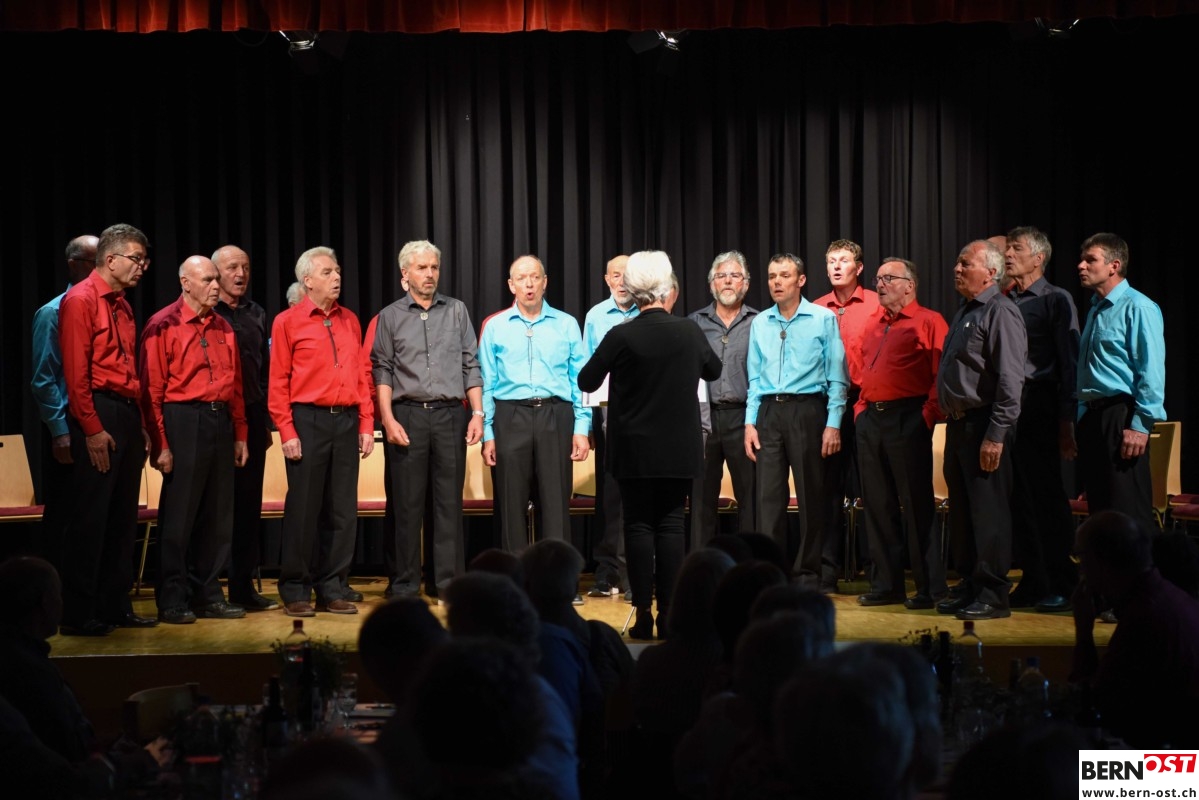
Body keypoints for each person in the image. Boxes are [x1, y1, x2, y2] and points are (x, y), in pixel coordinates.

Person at [579, 251, 721, 640]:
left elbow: (587, 380)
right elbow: (714, 370)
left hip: (633, 448)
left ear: (633, 288)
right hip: (678, 447)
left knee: (638, 525)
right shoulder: (689, 331)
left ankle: (643, 613)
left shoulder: (621, 334)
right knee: (672, 525)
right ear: (666, 288)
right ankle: (670, 613)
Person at [58, 223, 157, 635]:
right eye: (137, 259)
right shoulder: (81, 300)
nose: (142, 267)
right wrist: (92, 428)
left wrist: (142, 424)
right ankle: (79, 613)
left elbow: (130, 370)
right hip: (98, 412)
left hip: (126, 411)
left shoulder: (123, 305)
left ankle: (116, 605)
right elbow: (76, 374)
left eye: (145, 261)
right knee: (91, 518)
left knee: (122, 518)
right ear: (111, 259)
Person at [139, 256, 249, 623]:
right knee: (180, 515)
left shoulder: (223, 326)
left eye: (217, 279)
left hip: (220, 420)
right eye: (207, 280)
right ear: (185, 283)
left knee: (218, 515)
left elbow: (236, 384)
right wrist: (161, 443)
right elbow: (152, 390)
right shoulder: (163, 324)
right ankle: (172, 596)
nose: (216, 286)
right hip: (183, 419)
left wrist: (240, 433)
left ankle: (208, 594)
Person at [372, 240, 483, 598]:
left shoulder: (456, 310)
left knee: (447, 502)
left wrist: (477, 413)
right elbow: (382, 370)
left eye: (434, 267)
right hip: (407, 415)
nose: (430, 274)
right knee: (406, 504)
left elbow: (470, 364)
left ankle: (446, 582)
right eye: (422, 268)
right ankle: (404, 583)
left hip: (450, 415)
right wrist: (387, 418)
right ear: (405, 274)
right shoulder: (390, 316)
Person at [268, 246, 375, 617]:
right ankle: (296, 588)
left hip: (345, 420)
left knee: (342, 510)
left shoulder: (350, 320)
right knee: (304, 509)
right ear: (307, 280)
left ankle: (332, 587)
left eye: (338, 270)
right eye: (327, 272)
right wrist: (287, 430)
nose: (336, 277)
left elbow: (361, 374)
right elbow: (278, 381)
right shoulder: (287, 322)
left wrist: (366, 422)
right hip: (307, 420)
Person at [743, 252, 849, 589]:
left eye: (784, 276)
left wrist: (833, 422)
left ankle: (807, 574)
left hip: (808, 410)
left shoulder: (822, 319)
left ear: (801, 280)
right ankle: (770, 573)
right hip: (769, 411)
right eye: (772, 276)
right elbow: (754, 378)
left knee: (810, 497)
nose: (777, 282)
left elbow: (837, 376)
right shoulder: (760, 322)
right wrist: (750, 422)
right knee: (768, 500)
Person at [935, 240, 1026, 621]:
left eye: (965, 263)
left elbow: (1010, 379)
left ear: (990, 272)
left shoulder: (1000, 311)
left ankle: (993, 592)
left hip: (984, 423)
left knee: (988, 512)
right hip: (959, 425)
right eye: (957, 262)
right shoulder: (965, 311)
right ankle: (970, 585)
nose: (956, 269)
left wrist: (996, 433)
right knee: (963, 513)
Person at [853, 258, 949, 609]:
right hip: (872, 418)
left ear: (910, 285)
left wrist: (926, 416)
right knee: (878, 505)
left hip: (909, 416)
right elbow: (863, 370)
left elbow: (941, 375)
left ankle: (930, 588)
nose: (879, 285)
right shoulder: (873, 323)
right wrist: (861, 411)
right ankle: (887, 585)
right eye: (877, 279)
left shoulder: (929, 321)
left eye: (888, 278)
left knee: (917, 505)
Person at [479, 255, 591, 553]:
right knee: (510, 503)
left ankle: (555, 575)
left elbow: (579, 380)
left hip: (556, 414)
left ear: (545, 282)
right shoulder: (495, 326)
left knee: (555, 503)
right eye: (521, 278)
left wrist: (582, 428)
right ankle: (513, 574)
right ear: (511, 285)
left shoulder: (566, 324)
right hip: (509, 415)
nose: (529, 284)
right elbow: (486, 383)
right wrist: (488, 433)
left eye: (535, 277)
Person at [1070, 510, 1199, 748]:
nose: (1080, 569)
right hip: (1177, 749)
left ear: (1100, 560)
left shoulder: (1145, 616)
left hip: (1178, 765)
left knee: (1063, 764)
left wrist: (1084, 633)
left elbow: (1095, 706)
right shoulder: (1166, 596)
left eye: (1080, 556)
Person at [1002, 227, 1080, 613]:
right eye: (1007, 248)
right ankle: (1033, 579)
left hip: (1040, 402)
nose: (1008, 254)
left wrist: (1066, 419)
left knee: (1046, 496)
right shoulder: (1005, 301)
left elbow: (1069, 362)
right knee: (1018, 497)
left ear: (1038, 258)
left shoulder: (1055, 299)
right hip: (1008, 406)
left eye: (1015, 249)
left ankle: (1063, 581)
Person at [1075, 233, 1166, 533]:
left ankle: (1142, 565)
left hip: (1121, 417)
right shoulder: (1095, 309)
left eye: (1090, 260)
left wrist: (1140, 425)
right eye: (1082, 259)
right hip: (1094, 417)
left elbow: (1151, 371)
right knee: (1102, 514)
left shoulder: (1138, 306)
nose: (1081, 266)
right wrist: (1081, 418)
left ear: (1114, 266)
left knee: (1128, 513)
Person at [211, 244, 279, 612]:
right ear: (216, 273)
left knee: (247, 506)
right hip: (214, 416)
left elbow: (265, 370)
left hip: (251, 417)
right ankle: (205, 588)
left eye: (246, 268)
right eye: (232, 268)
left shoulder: (256, 314)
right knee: (213, 507)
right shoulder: (209, 312)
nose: (241, 275)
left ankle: (242, 588)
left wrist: (264, 420)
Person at [813, 239, 879, 592]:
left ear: (859, 267)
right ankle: (827, 572)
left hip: (866, 405)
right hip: (826, 408)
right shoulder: (815, 308)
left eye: (844, 260)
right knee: (827, 492)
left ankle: (876, 571)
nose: (837, 266)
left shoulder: (875, 304)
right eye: (831, 261)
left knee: (873, 489)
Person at [30, 234, 98, 570]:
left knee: (92, 513)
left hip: (96, 421)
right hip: (68, 425)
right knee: (65, 512)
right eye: (94, 262)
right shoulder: (52, 312)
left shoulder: (106, 309)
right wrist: (59, 431)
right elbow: (43, 379)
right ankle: (54, 588)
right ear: (74, 265)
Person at [687, 250, 759, 545]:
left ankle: (751, 562)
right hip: (703, 419)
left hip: (744, 418)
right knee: (701, 499)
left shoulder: (759, 322)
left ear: (746, 284)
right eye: (721, 276)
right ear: (711, 284)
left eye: (735, 275)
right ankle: (699, 562)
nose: (728, 281)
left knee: (751, 498)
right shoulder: (694, 323)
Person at [582, 254, 639, 598]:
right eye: (616, 275)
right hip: (606, 418)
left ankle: (636, 572)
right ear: (607, 279)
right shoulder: (595, 316)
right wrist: (588, 424)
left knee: (637, 497)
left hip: (643, 419)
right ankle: (607, 572)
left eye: (627, 275)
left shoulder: (648, 312)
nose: (621, 282)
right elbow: (587, 370)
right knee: (609, 497)